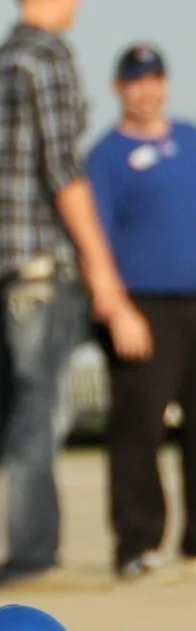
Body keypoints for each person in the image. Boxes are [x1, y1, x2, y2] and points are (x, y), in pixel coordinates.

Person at [0, 0, 151, 589]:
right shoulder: (50, 59)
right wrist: (104, 276)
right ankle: (31, 555)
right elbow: (64, 170)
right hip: (40, 263)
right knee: (39, 408)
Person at [85, 44, 196, 580]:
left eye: (154, 79)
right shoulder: (106, 157)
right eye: (136, 81)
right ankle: (137, 542)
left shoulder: (192, 142)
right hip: (142, 305)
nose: (146, 90)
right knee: (139, 428)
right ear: (119, 88)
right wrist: (116, 308)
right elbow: (95, 240)